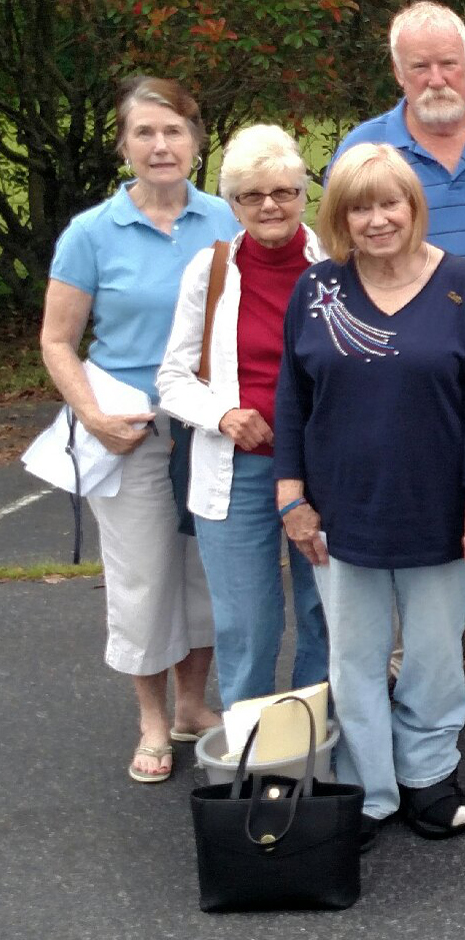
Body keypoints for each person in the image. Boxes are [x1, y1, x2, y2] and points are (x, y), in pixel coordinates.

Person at [274, 143, 465, 851]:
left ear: (412, 207)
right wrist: (292, 496)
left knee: (437, 655)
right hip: (340, 511)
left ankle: (428, 777)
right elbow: (292, 398)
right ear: (339, 215)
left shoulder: (461, 283)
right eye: (360, 206)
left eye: (390, 203)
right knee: (353, 658)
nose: (377, 219)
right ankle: (369, 791)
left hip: (435, 507)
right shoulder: (316, 289)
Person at [332, 0, 465, 715]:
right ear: (398, 71)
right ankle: (407, 656)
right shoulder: (367, 149)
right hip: (401, 365)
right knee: (410, 508)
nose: (436, 77)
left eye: (448, 61)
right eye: (419, 65)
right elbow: (341, 254)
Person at [40, 76, 238, 783]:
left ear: (196, 140)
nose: (161, 145)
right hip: (129, 428)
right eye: (145, 132)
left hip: (210, 427)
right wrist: (92, 416)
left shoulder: (225, 220)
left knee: (204, 576)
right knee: (143, 580)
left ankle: (191, 705)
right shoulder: (91, 233)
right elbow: (58, 341)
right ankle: (152, 719)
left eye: (174, 131)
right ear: (124, 144)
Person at [157, 125, 328, 707]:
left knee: (325, 616)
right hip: (239, 469)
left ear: (304, 194)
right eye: (251, 196)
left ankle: (316, 750)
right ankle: (252, 760)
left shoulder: (337, 263)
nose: (269, 206)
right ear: (232, 205)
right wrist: (223, 413)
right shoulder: (210, 271)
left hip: (326, 468)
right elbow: (172, 379)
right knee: (248, 626)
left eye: (282, 191)